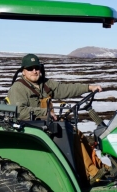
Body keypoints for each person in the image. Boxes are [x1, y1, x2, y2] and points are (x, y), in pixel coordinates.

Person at [6, 54, 107, 184]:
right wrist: (45, 112)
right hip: (31, 127)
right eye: (30, 68)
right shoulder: (18, 88)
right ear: (23, 71)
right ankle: (91, 173)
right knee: (71, 135)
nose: (34, 71)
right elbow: (20, 112)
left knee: (78, 134)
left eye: (37, 68)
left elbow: (64, 89)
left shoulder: (44, 84)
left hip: (45, 123)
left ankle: (99, 167)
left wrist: (88, 88)